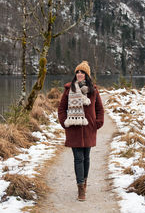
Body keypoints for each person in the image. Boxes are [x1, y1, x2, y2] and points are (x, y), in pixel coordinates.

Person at [58, 61, 104, 201]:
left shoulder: (93, 91)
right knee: (78, 158)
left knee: (87, 158)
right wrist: (65, 123)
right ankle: (80, 189)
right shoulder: (68, 90)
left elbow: (100, 109)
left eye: (82, 72)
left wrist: (98, 123)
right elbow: (61, 108)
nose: (79, 74)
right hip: (74, 129)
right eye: (77, 72)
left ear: (87, 75)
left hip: (89, 128)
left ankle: (84, 182)